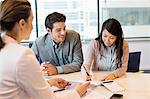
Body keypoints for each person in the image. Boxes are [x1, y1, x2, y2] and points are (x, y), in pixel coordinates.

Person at [0, 0, 90, 99]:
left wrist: (49, 82)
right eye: (32, 20)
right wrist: (77, 92)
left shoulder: (4, 49)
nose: (33, 27)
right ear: (22, 23)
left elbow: (20, 87)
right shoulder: (23, 54)